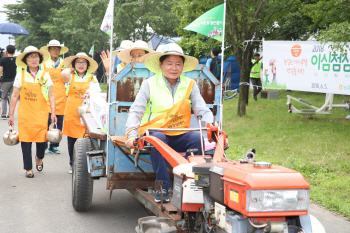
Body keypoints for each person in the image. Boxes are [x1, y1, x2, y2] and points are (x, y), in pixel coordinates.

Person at [124, 43, 226, 203]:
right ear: (160, 65)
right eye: (169, 63)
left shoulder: (190, 85)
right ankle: (163, 187)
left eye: (178, 63)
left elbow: (202, 110)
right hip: (155, 133)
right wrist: (131, 135)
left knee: (198, 140)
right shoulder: (149, 84)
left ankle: (195, 184)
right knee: (158, 139)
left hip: (179, 133)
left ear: (183, 66)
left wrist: (217, 134)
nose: (174, 67)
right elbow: (136, 111)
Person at [8, 46, 57, 178]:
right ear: (25, 60)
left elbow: (52, 95)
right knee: (26, 141)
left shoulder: (45, 75)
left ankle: (39, 157)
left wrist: (53, 112)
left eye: (36, 56)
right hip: (25, 113)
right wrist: (11, 114)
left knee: (42, 141)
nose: (34, 59)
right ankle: (28, 168)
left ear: (40, 59)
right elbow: (14, 96)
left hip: (41, 113)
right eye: (31, 57)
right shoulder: (21, 75)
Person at [61, 52, 101, 173]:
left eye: (84, 62)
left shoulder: (92, 78)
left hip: (87, 113)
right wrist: (71, 68)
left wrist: (91, 93)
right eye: (78, 62)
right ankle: (72, 164)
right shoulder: (70, 76)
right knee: (72, 140)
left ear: (88, 64)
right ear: (74, 64)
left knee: (87, 139)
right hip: (72, 112)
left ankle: (87, 165)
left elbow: (98, 92)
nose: (81, 65)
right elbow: (63, 73)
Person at [40, 40, 69, 154]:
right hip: (46, 97)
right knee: (45, 122)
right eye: (53, 48)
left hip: (61, 97)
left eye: (57, 48)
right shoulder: (44, 63)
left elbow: (68, 80)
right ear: (49, 50)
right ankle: (43, 143)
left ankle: (54, 145)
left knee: (59, 123)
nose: (55, 51)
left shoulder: (64, 64)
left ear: (60, 50)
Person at [0, 45, 17, 119]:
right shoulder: (16, 60)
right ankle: (10, 113)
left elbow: (0, 71)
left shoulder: (3, 60)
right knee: (12, 97)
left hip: (5, 81)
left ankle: (3, 113)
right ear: (14, 51)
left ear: (6, 51)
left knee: (4, 97)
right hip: (14, 81)